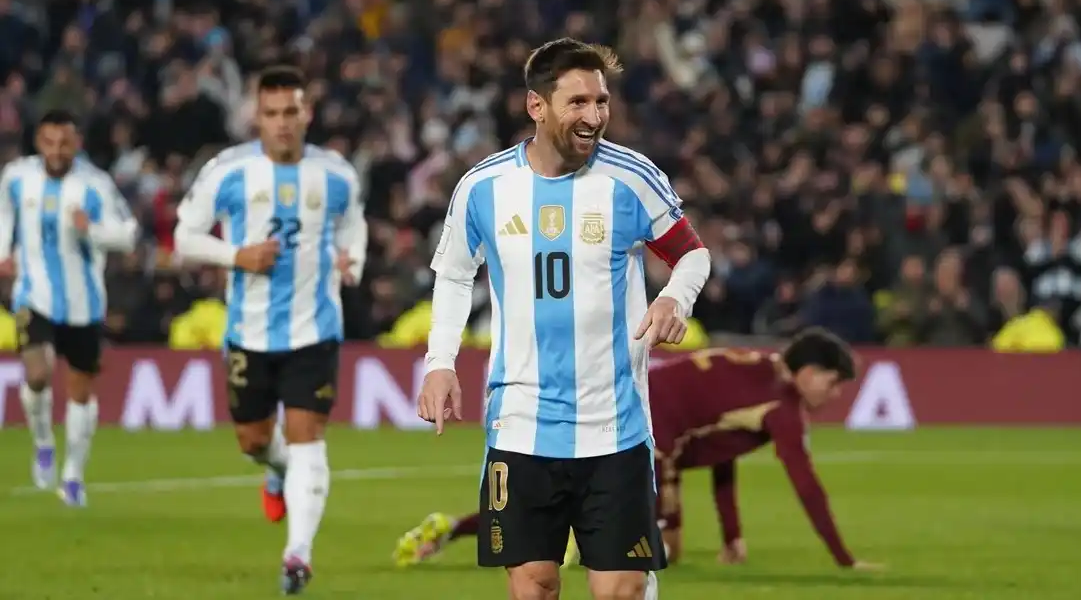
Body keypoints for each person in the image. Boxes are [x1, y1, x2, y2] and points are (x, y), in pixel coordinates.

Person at [415, 38, 712, 600]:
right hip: (521, 422)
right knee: (534, 586)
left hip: (615, 424)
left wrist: (676, 296)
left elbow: (693, 253)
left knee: (619, 589)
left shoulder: (632, 178)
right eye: (577, 103)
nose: (594, 116)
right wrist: (440, 364)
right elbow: (454, 275)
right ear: (537, 106)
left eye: (601, 102)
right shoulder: (483, 188)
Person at [395, 329, 883, 572]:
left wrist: (732, 534)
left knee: (554, 499)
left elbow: (721, 452)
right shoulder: (782, 404)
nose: (832, 395)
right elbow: (807, 487)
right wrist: (844, 560)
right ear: (812, 372)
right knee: (657, 553)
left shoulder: (757, 368)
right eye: (834, 384)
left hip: (624, 401)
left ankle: (451, 528)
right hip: (650, 440)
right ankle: (574, 539)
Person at [173, 66, 367, 594]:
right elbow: (184, 237)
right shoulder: (228, 172)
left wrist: (354, 258)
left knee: (309, 441)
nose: (283, 123)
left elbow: (354, 222)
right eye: (272, 113)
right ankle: (274, 469)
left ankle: (297, 555)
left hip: (315, 330)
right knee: (255, 442)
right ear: (256, 117)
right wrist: (236, 254)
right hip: (249, 334)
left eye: (291, 112)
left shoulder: (336, 175)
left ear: (307, 114)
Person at [0, 110, 138, 507]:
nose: (57, 151)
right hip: (34, 293)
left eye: (65, 143)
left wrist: (91, 230)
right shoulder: (16, 177)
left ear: (76, 143)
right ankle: (43, 442)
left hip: (84, 303)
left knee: (80, 392)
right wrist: (6, 251)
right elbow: (5, 217)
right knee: (38, 372)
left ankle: (73, 475)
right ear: (38, 142)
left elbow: (127, 236)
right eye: (50, 142)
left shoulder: (95, 185)